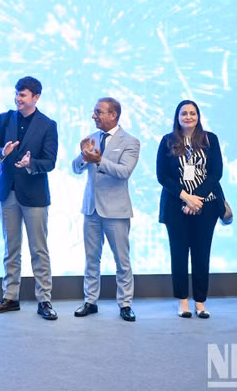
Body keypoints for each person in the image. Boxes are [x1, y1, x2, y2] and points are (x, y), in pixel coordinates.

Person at [0, 76, 59, 320]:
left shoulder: (48, 125)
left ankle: (44, 300)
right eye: (16, 93)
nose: (17, 98)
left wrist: (31, 164)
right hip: (7, 191)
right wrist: (2, 153)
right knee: (11, 248)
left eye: (23, 94)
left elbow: (50, 161)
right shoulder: (4, 118)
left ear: (36, 97)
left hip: (35, 194)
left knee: (39, 249)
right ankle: (10, 297)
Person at [71, 97, 140, 322]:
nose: (94, 116)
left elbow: (124, 172)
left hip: (116, 211)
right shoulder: (91, 139)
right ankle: (90, 301)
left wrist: (99, 160)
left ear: (113, 115)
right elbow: (75, 168)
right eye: (94, 112)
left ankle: (125, 304)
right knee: (91, 258)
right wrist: (84, 156)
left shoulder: (130, 141)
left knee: (122, 260)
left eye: (98, 112)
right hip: (91, 209)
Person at [156, 100, 225, 319]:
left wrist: (198, 200)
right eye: (184, 113)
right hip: (176, 206)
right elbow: (162, 176)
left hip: (207, 206)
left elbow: (216, 173)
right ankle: (183, 302)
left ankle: (200, 302)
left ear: (198, 116)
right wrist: (186, 198)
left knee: (201, 254)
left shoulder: (209, 139)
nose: (188, 117)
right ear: (177, 117)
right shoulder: (168, 141)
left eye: (192, 113)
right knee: (178, 255)